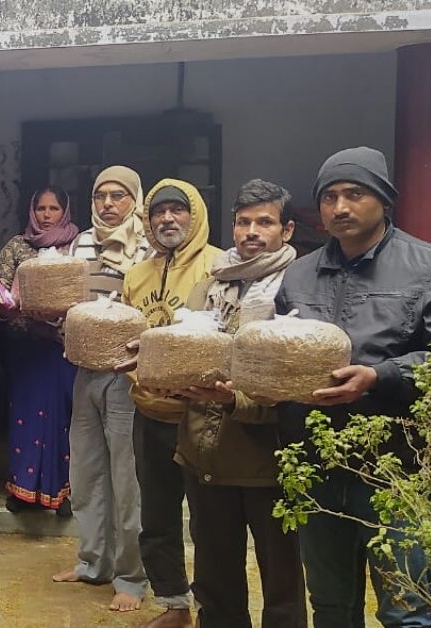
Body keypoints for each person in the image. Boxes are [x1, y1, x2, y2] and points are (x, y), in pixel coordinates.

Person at [276, 147, 431, 627]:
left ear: (384, 200)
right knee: (331, 606)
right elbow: (278, 352)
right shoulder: (299, 274)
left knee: (406, 612)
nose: (340, 207)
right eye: (329, 197)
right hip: (315, 467)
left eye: (355, 194)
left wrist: (379, 376)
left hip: (394, 470)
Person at [170, 179, 306, 628]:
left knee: (281, 584)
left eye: (264, 222)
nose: (252, 231)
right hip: (203, 454)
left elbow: (299, 380)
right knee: (214, 581)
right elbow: (183, 348)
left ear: (286, 230)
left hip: (268, 459)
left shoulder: (297, 289)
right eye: (243, 221)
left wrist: (237, 399)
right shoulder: (210, 282)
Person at [120, 178, 223, 628]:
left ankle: (213, 606)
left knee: (210, 521)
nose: (167, 218)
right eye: (158, 211)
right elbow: (126, 338)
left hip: (203, 417)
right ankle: (174, 604)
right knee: (157, 516)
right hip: (149, 413)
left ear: (194, 215)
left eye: (177, 210)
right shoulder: (136, 275)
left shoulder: (221, 266)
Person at [52, 166, 151, 613]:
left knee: (126, 480)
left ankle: (131, 574)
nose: (108, 204)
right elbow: (70, 300)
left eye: (118, 196)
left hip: (127, 375)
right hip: (85, 371)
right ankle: (93, 561)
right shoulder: (80, 243)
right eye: (99, 196)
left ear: (135, 199)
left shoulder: (148, 245)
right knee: (87, 473)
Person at [0, 187, 80, 514]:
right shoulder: (17, 247)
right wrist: (10, 307)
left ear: (64, 210)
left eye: (54, 208)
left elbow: (86, 292)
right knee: (26, 417)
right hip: (26, 348)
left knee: (64, 418)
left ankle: (63, 492)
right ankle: (23, 489)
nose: (47, 214)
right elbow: (1, 294)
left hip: (61, 347)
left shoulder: (76, 246)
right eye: (41, 208)